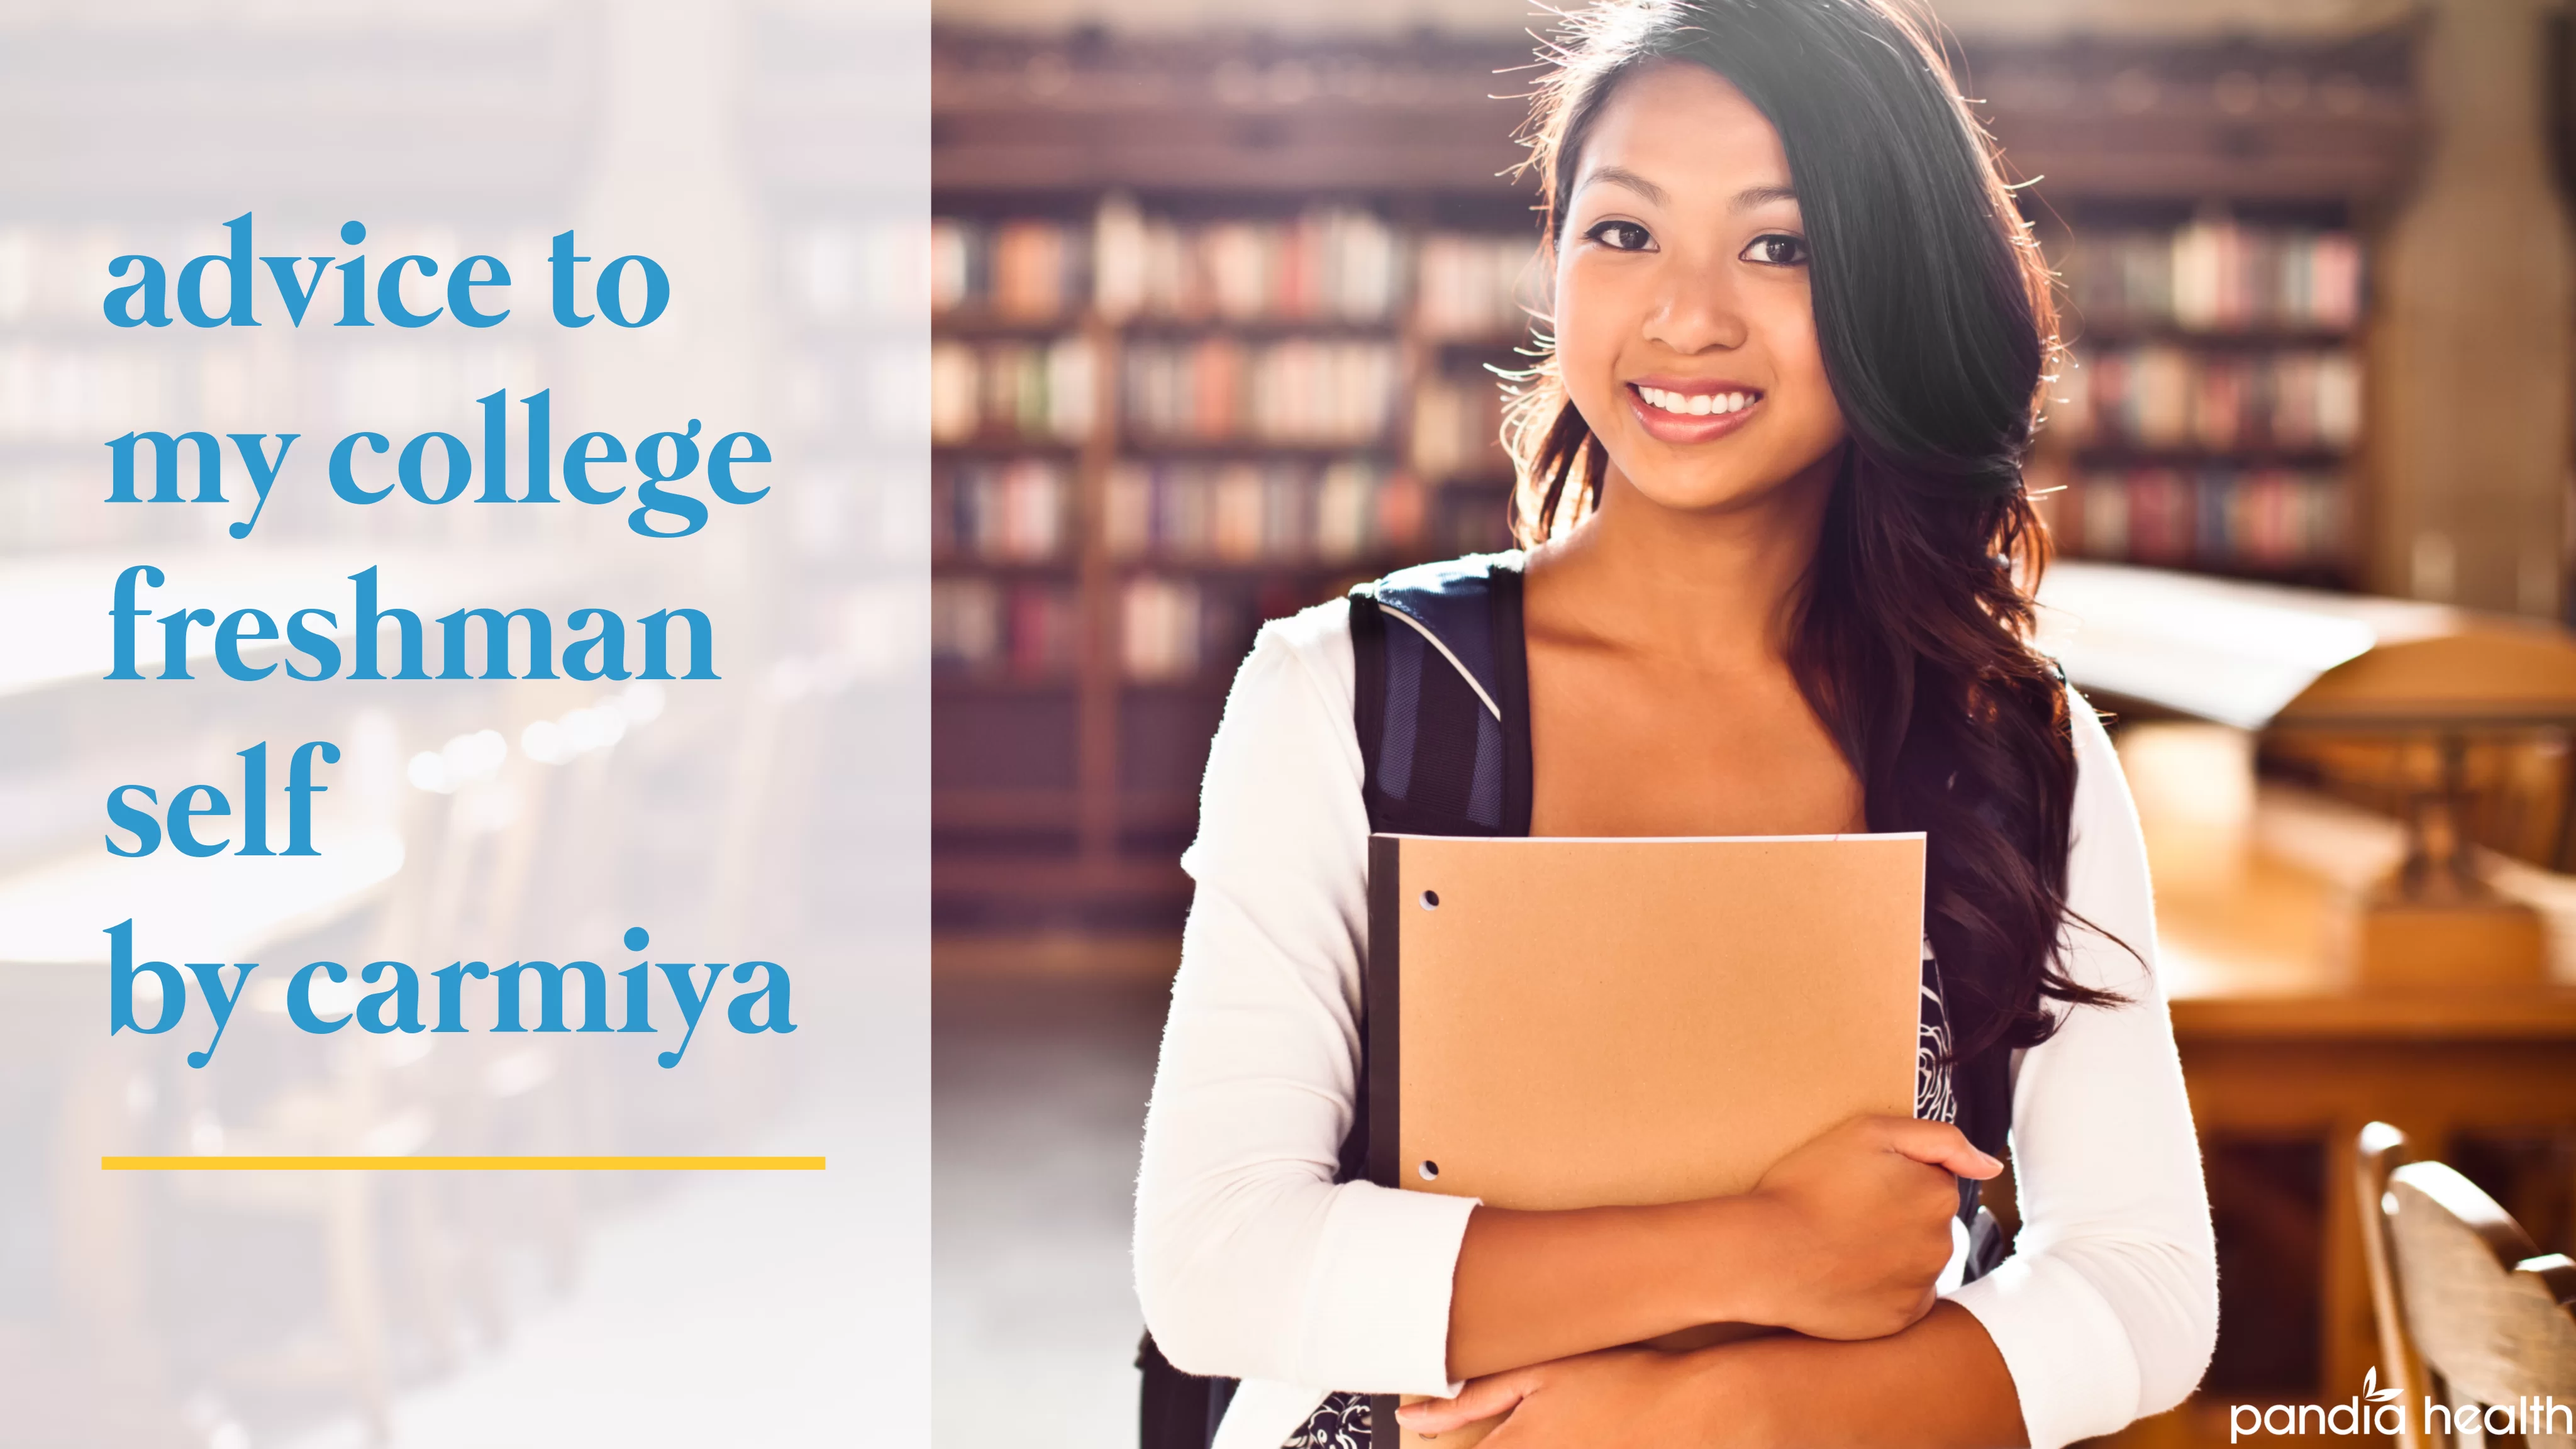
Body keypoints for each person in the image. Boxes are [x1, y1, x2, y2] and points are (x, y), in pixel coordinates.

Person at [1130, 1, 2218, 1444]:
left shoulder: (2014, 744)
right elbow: (1211, 1264)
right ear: (1555, 260)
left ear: (1896, 289)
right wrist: (1764, 1248)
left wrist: (1723, 1410)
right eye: (1623, 232)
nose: (1685, 313)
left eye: (1782, 247)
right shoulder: (1345, 695)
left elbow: (2144, 1288)